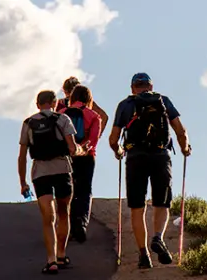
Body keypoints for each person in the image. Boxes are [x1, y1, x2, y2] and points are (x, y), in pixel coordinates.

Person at [108, 72, 192, 269]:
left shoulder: (125, 105)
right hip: (160, 156)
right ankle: (158, 237)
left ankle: (143, 254)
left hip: (135, 157)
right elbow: (181, 130)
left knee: (137, 207)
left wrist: (119, 151)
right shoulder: (163, 101)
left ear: (132, 88)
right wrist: (185, 148)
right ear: (151, 86)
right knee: (161, 203)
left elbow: (113, 138)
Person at [17, 90, 86, 274]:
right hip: (62, 169)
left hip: (40, 172)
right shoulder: (63, 119)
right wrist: (81, 151)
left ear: (37, 104)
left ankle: (51, 260)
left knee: (48, 218)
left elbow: (22, 156)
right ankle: (62, 254)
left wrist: (23, 182)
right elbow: (72, 148)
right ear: (55, 103)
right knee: (64, 212)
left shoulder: (28, 123)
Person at [57, 84, 102, 244]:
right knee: (84, 190)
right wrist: (82, 148)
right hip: (86, 157)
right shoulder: (94, 116)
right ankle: (81, 223)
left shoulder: (61, 114)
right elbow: (94, 140)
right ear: (88, 98)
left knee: (67, 192)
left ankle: (66, 226)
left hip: (66, 157)